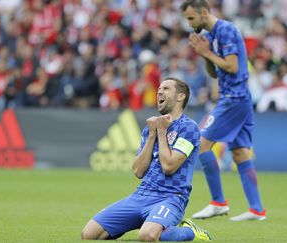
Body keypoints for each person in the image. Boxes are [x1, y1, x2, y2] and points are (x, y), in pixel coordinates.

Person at [81, 77, 211, 241]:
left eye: (166, 89)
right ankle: (155, 226)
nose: (159, 92)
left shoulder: (189, 127)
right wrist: (152, 134)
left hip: (171, 197)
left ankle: (189, 231)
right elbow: (137, 170)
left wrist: (162, 132)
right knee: (89, 234)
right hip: (141, 195)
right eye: (159, 89)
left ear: (181, 96)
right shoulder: (150, 127)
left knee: (147, 235)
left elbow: (169, 166)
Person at [180, 0, 266, 221]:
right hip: (238, 99)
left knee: (201, 144)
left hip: (233, 99)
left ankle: (218, 202)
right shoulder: (211, 36)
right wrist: (203, 52)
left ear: (204, 13)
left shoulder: (226, 30)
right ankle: (256, 209)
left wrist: (207, 53)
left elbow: (232, 66)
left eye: (191, 18)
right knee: (239, 153)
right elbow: (216, 73)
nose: (189, 24)